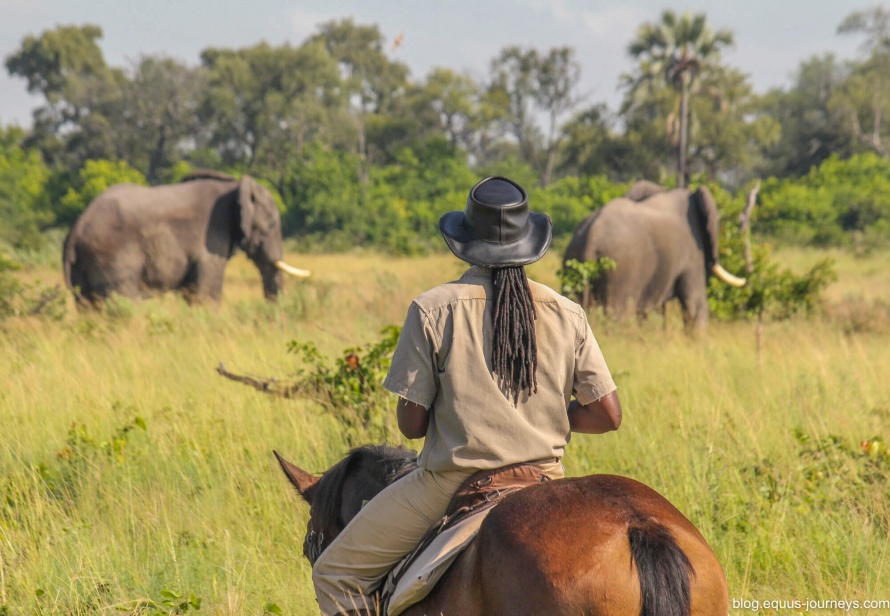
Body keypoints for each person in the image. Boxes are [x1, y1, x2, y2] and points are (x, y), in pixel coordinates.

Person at [311, 176, 622, 616]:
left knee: (334, 572)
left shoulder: (433, 308)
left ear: (465, 239)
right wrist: (547, 416)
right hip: (545, 478)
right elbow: (608, 413)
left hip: (449, 483)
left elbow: (411, 426)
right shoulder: (566, 311)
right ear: (529, 240)